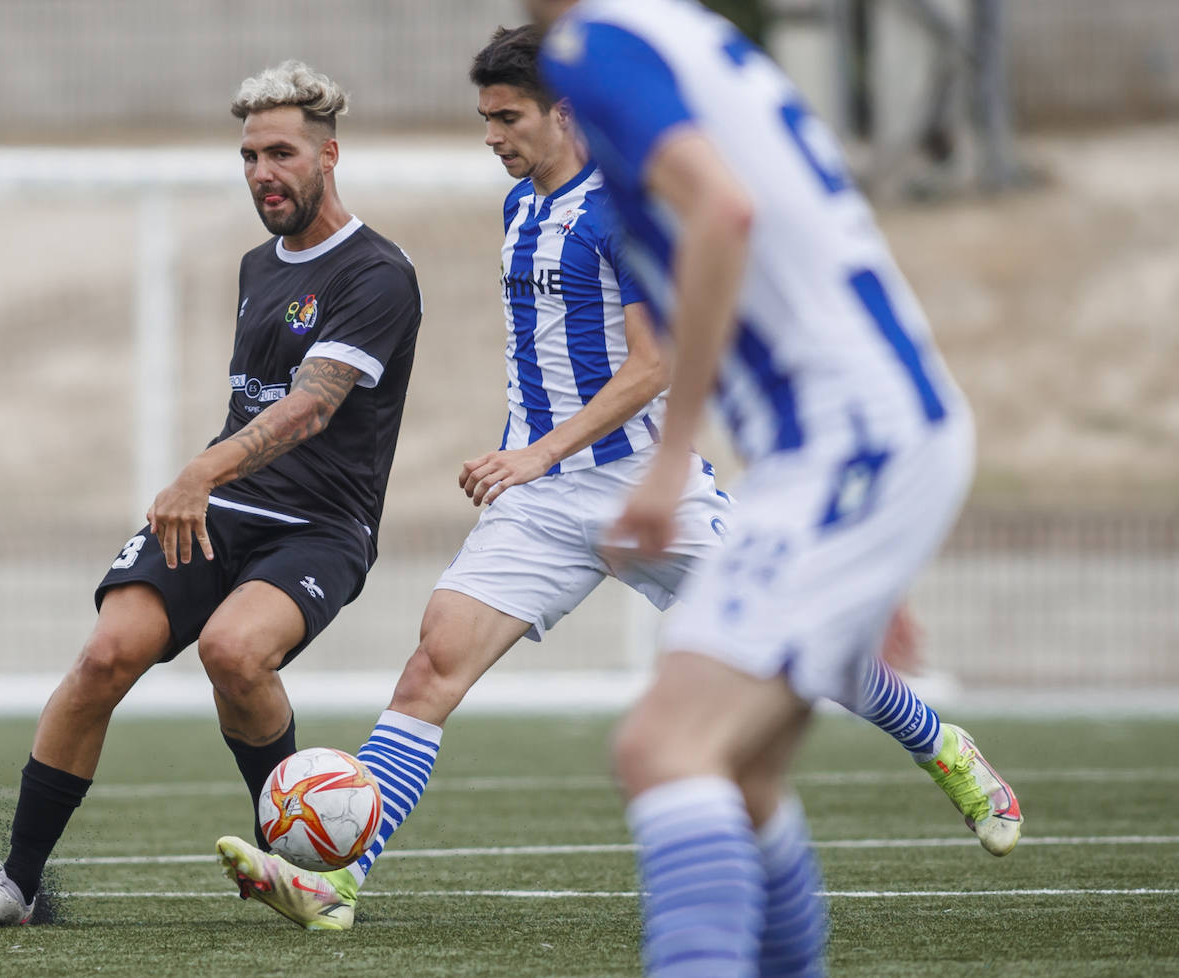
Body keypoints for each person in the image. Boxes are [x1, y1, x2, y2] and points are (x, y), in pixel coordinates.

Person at [213, 25, 1019, 934]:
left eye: (506, 117)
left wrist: (538, 451)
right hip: (543, 501)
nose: (491, 136)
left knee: (816, 657)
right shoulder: (522, 206)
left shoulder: (623, 207)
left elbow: (654, 361)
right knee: (432, 667)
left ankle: (944, 747)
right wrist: (532, 461)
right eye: (484, 118)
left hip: (645, 488)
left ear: (564, 113)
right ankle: (342, 882)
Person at [532, 0, 1005, 973]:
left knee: (662, 750)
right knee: (739, 782)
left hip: (850, 445)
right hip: (869, 441)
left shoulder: (594, 43)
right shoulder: (690, 33)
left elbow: (724, 209)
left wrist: (672, 460)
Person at [0, 60, 422, 930]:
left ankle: (294, 868)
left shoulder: (378, 273)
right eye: (248, 156)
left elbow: (313, 406)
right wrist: (209, 482)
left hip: (320, 525)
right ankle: (17, 883)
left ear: (330, 154)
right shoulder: (255, 265)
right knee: (103, 658)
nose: (262, 174)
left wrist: (199, 471)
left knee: (235, 651)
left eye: (281, 153)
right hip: (225, 508)